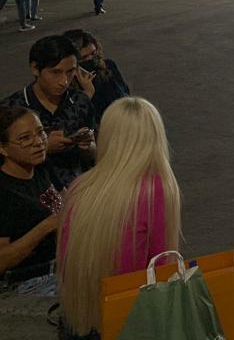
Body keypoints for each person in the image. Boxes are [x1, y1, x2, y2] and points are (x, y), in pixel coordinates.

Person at [58, 98, 181, 340]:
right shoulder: (157, 188)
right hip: (129, 320)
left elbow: (65, 259)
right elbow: (162, 266)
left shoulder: (79, 186)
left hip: (79, 319)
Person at [3, 36, 95, 188]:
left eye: (70, 71)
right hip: (33, 197)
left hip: (80, 189)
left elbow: (93, 155)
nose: (64, 81)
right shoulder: (12, 109)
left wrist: (88, 147)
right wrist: (44, 147)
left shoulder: (80, 101)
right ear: (35, 69)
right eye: (55, 72)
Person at [0, 105, 64, 295]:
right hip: (25, 282)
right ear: (3, 148)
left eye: (40, 132)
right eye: (25, 138)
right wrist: (46, 227)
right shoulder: (4, 191)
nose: (38, 142)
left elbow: (67, 201)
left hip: (60, 267)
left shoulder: (42, 167)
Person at [61, 30, 130, 129]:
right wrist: (87, 93)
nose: (91, 59)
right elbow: (73, 122)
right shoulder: (65, 86)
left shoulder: (108, 67)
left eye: (93, 53)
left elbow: (125, 94)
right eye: (83, 58)